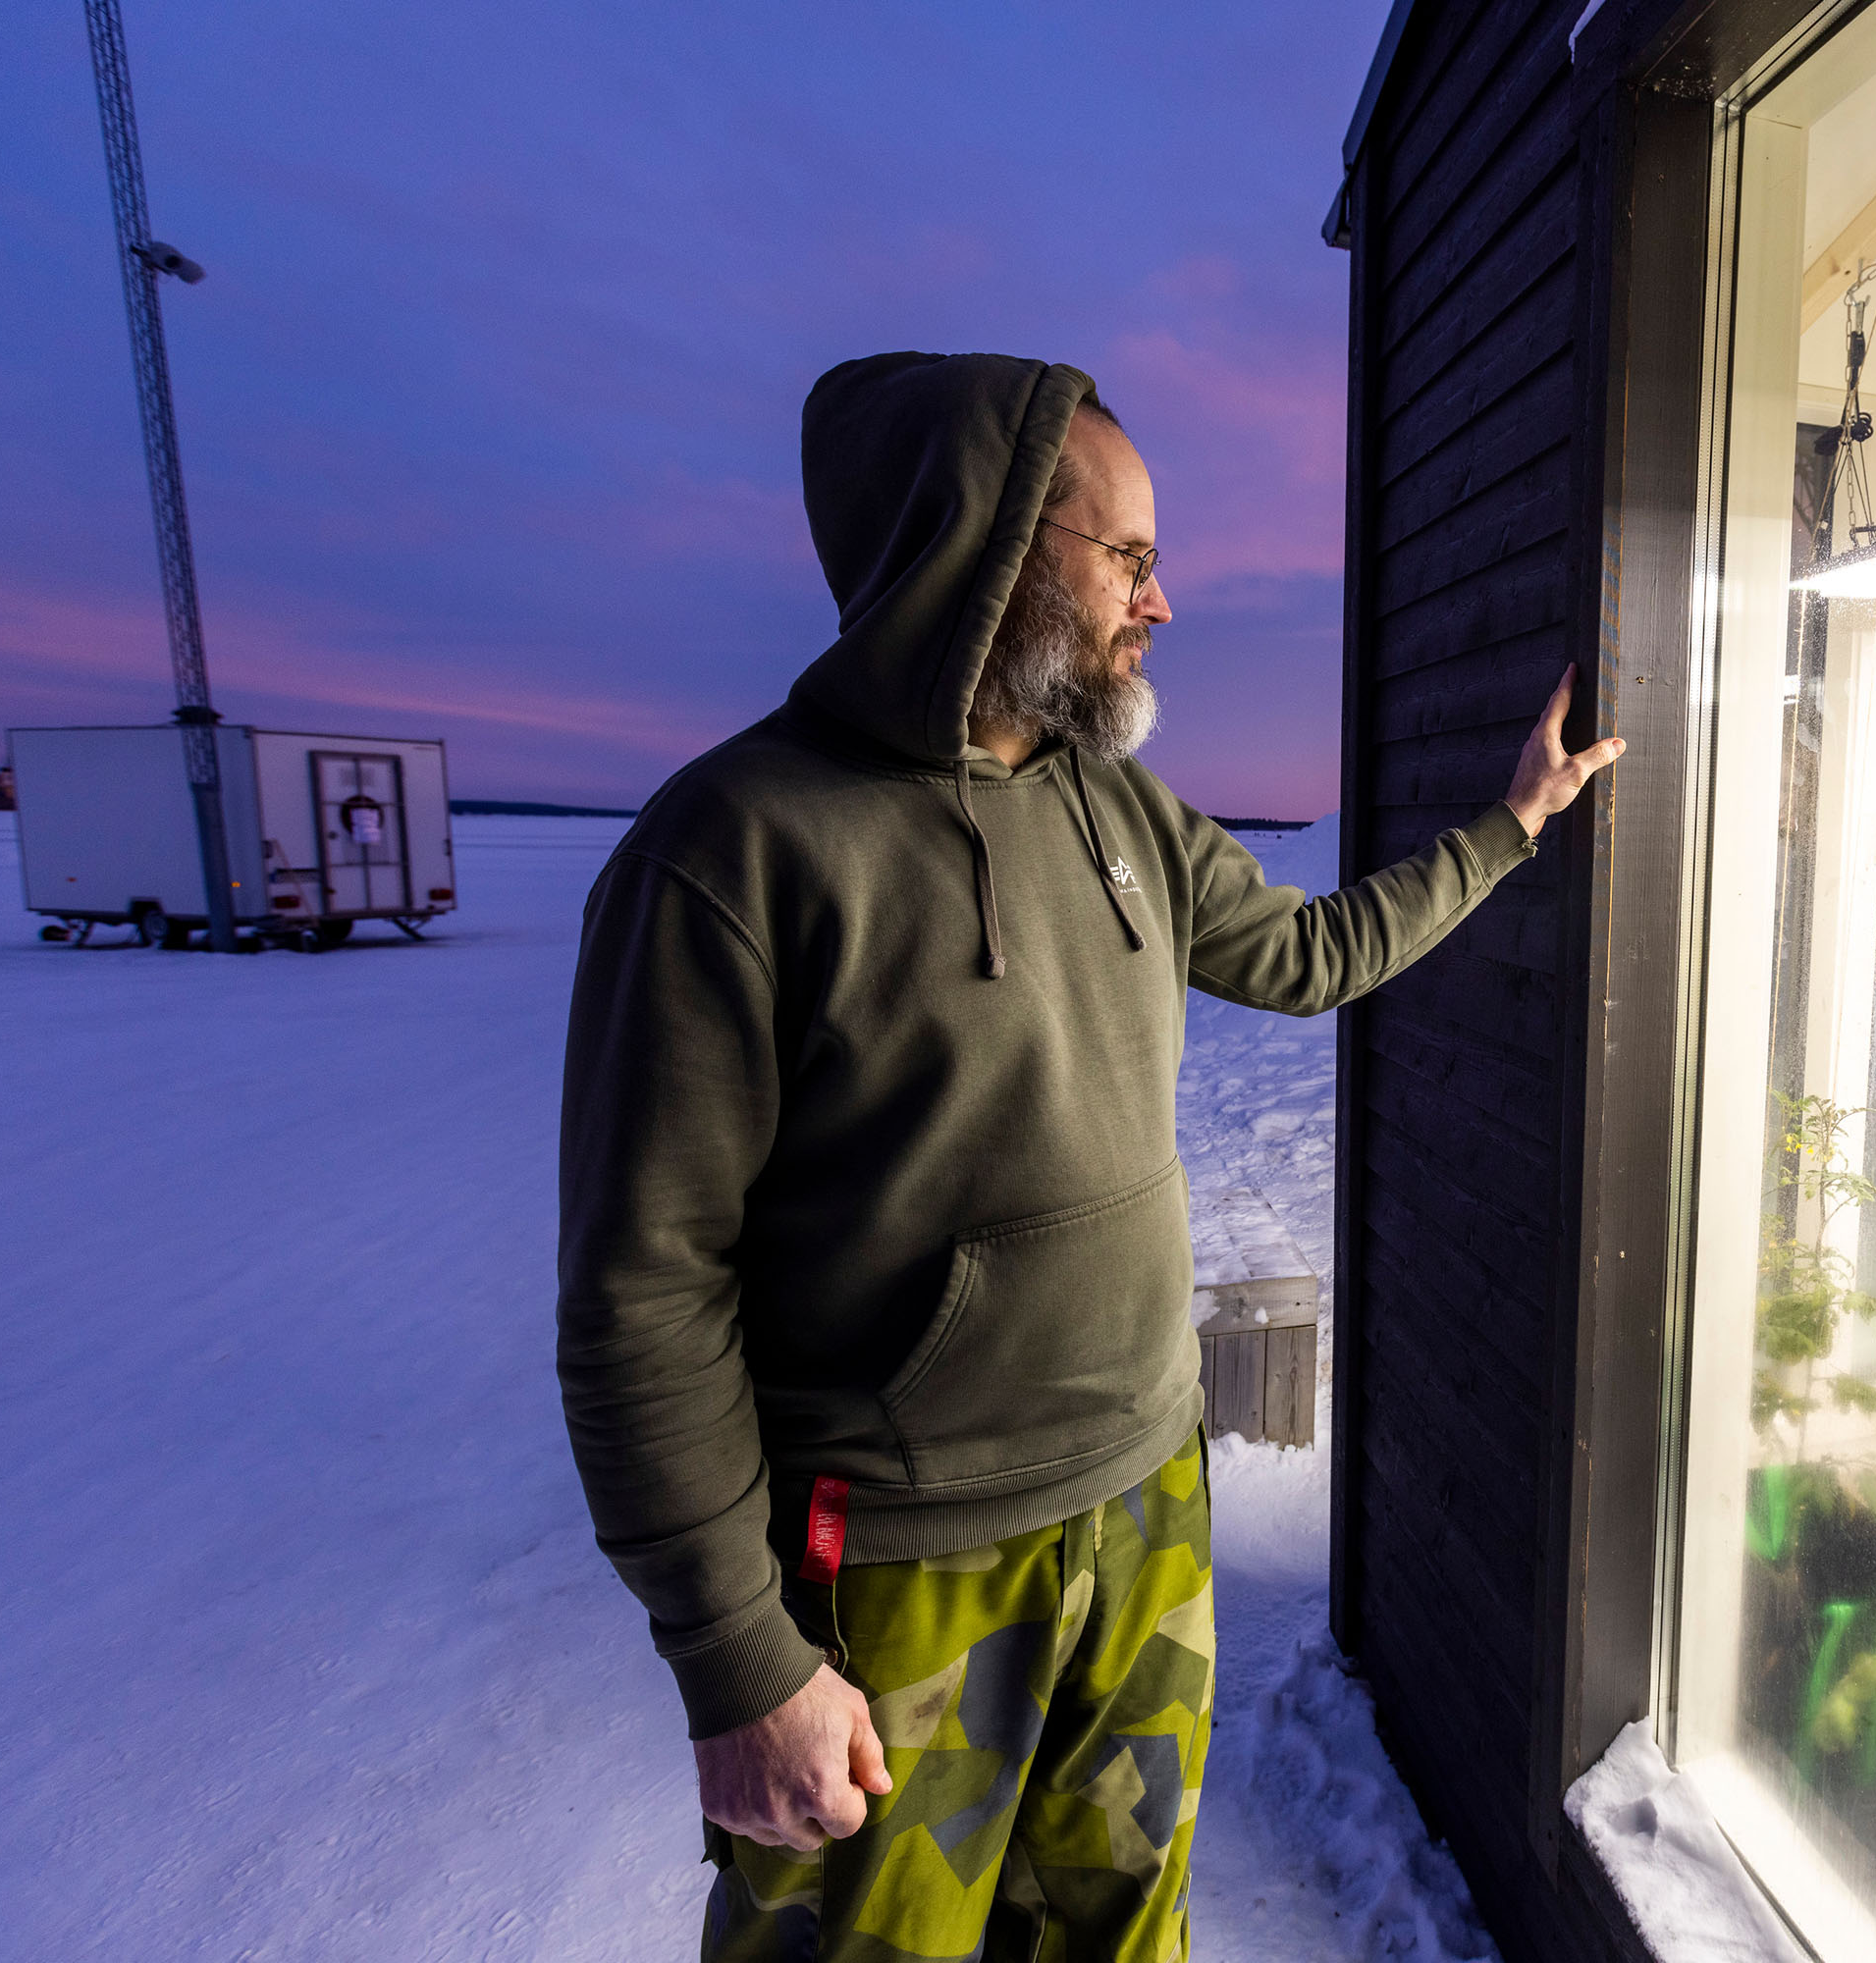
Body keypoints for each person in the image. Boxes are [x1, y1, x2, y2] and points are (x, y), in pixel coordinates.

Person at [557, 351, 1620, 1962]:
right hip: (903, 1562)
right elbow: (643, 1300)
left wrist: (1511, 827)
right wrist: (736, 1661)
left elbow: (1316, 951)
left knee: (1122, 1935)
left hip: (1143, 1503)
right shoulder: (733, 852)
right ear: (987, 546)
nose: (1162, 603)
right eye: (1128, 556)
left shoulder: (1120, 811)